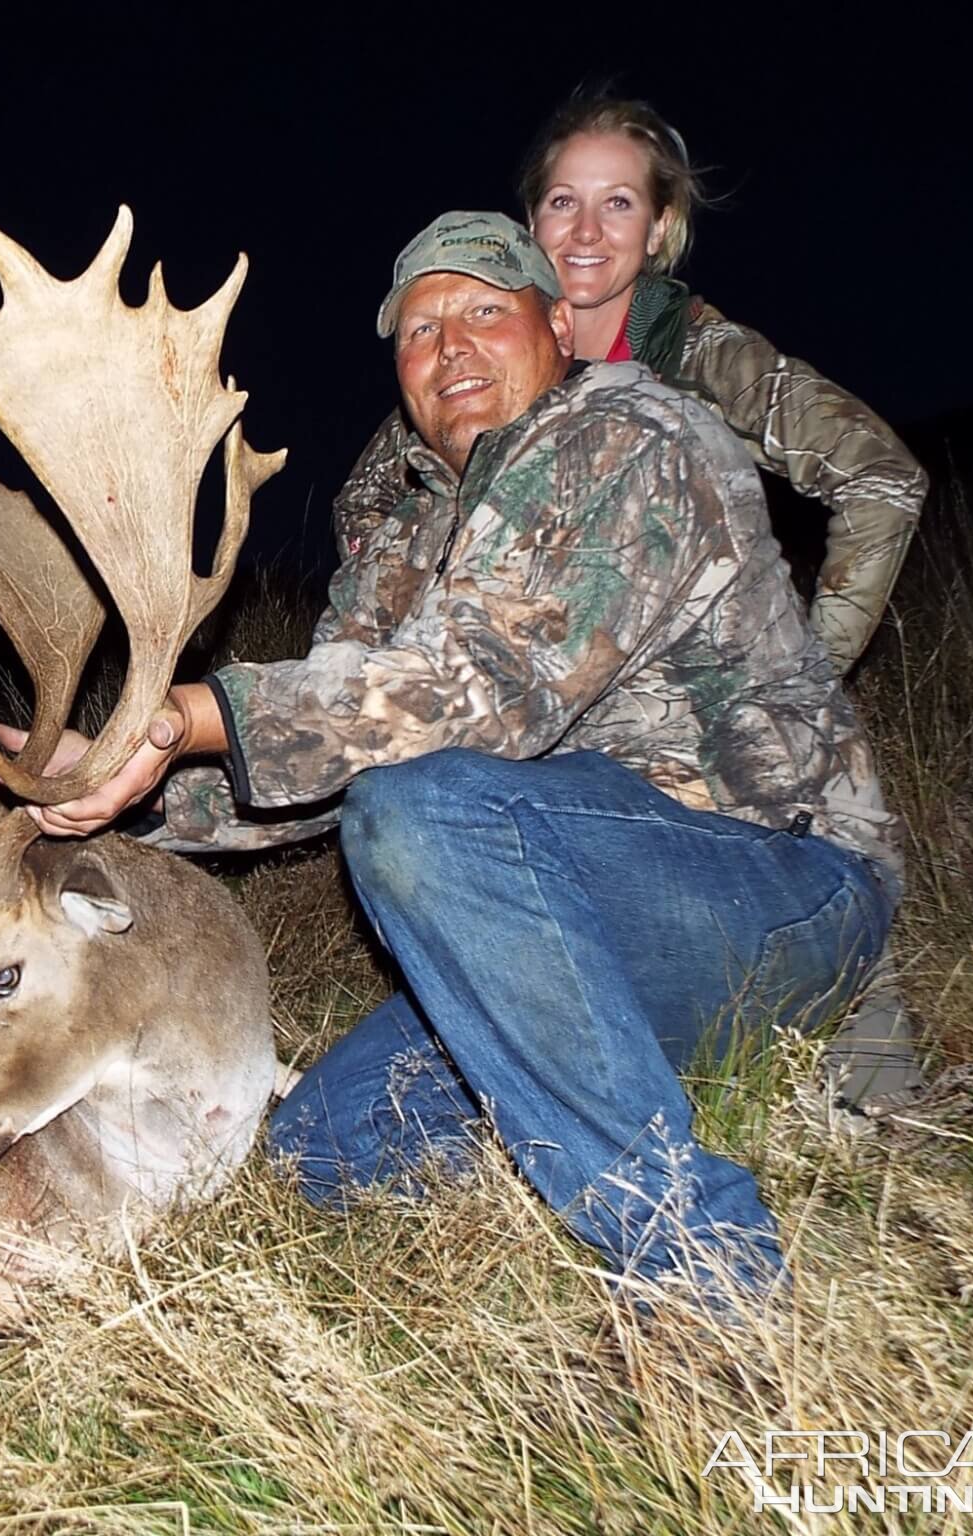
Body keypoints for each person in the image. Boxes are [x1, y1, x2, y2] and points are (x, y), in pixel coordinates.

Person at [8, 212, 901, 1308]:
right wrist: (108, 785)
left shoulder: (624, 432)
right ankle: (598, 1109)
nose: (449, 346)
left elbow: (476, 694)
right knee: (315, 1159)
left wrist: (188, 715)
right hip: (575, 935)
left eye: (485, 310)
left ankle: (697, 1264)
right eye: (419, 331)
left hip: (773, 895)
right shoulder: (402, 545)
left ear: (559, 328)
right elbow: (322, 749)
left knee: (418, 815)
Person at [332, 92, 927, 1113]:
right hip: (562, 748)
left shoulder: (702, 361)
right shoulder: (482, 362)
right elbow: (367, 506)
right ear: (528, 226)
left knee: (853, 1066)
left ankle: (857, 1061)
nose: (584, 231)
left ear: (658, 229)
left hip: (719, 755)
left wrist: (804, 665)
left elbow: (881, 479)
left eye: (616, 206)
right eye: (560, 203)